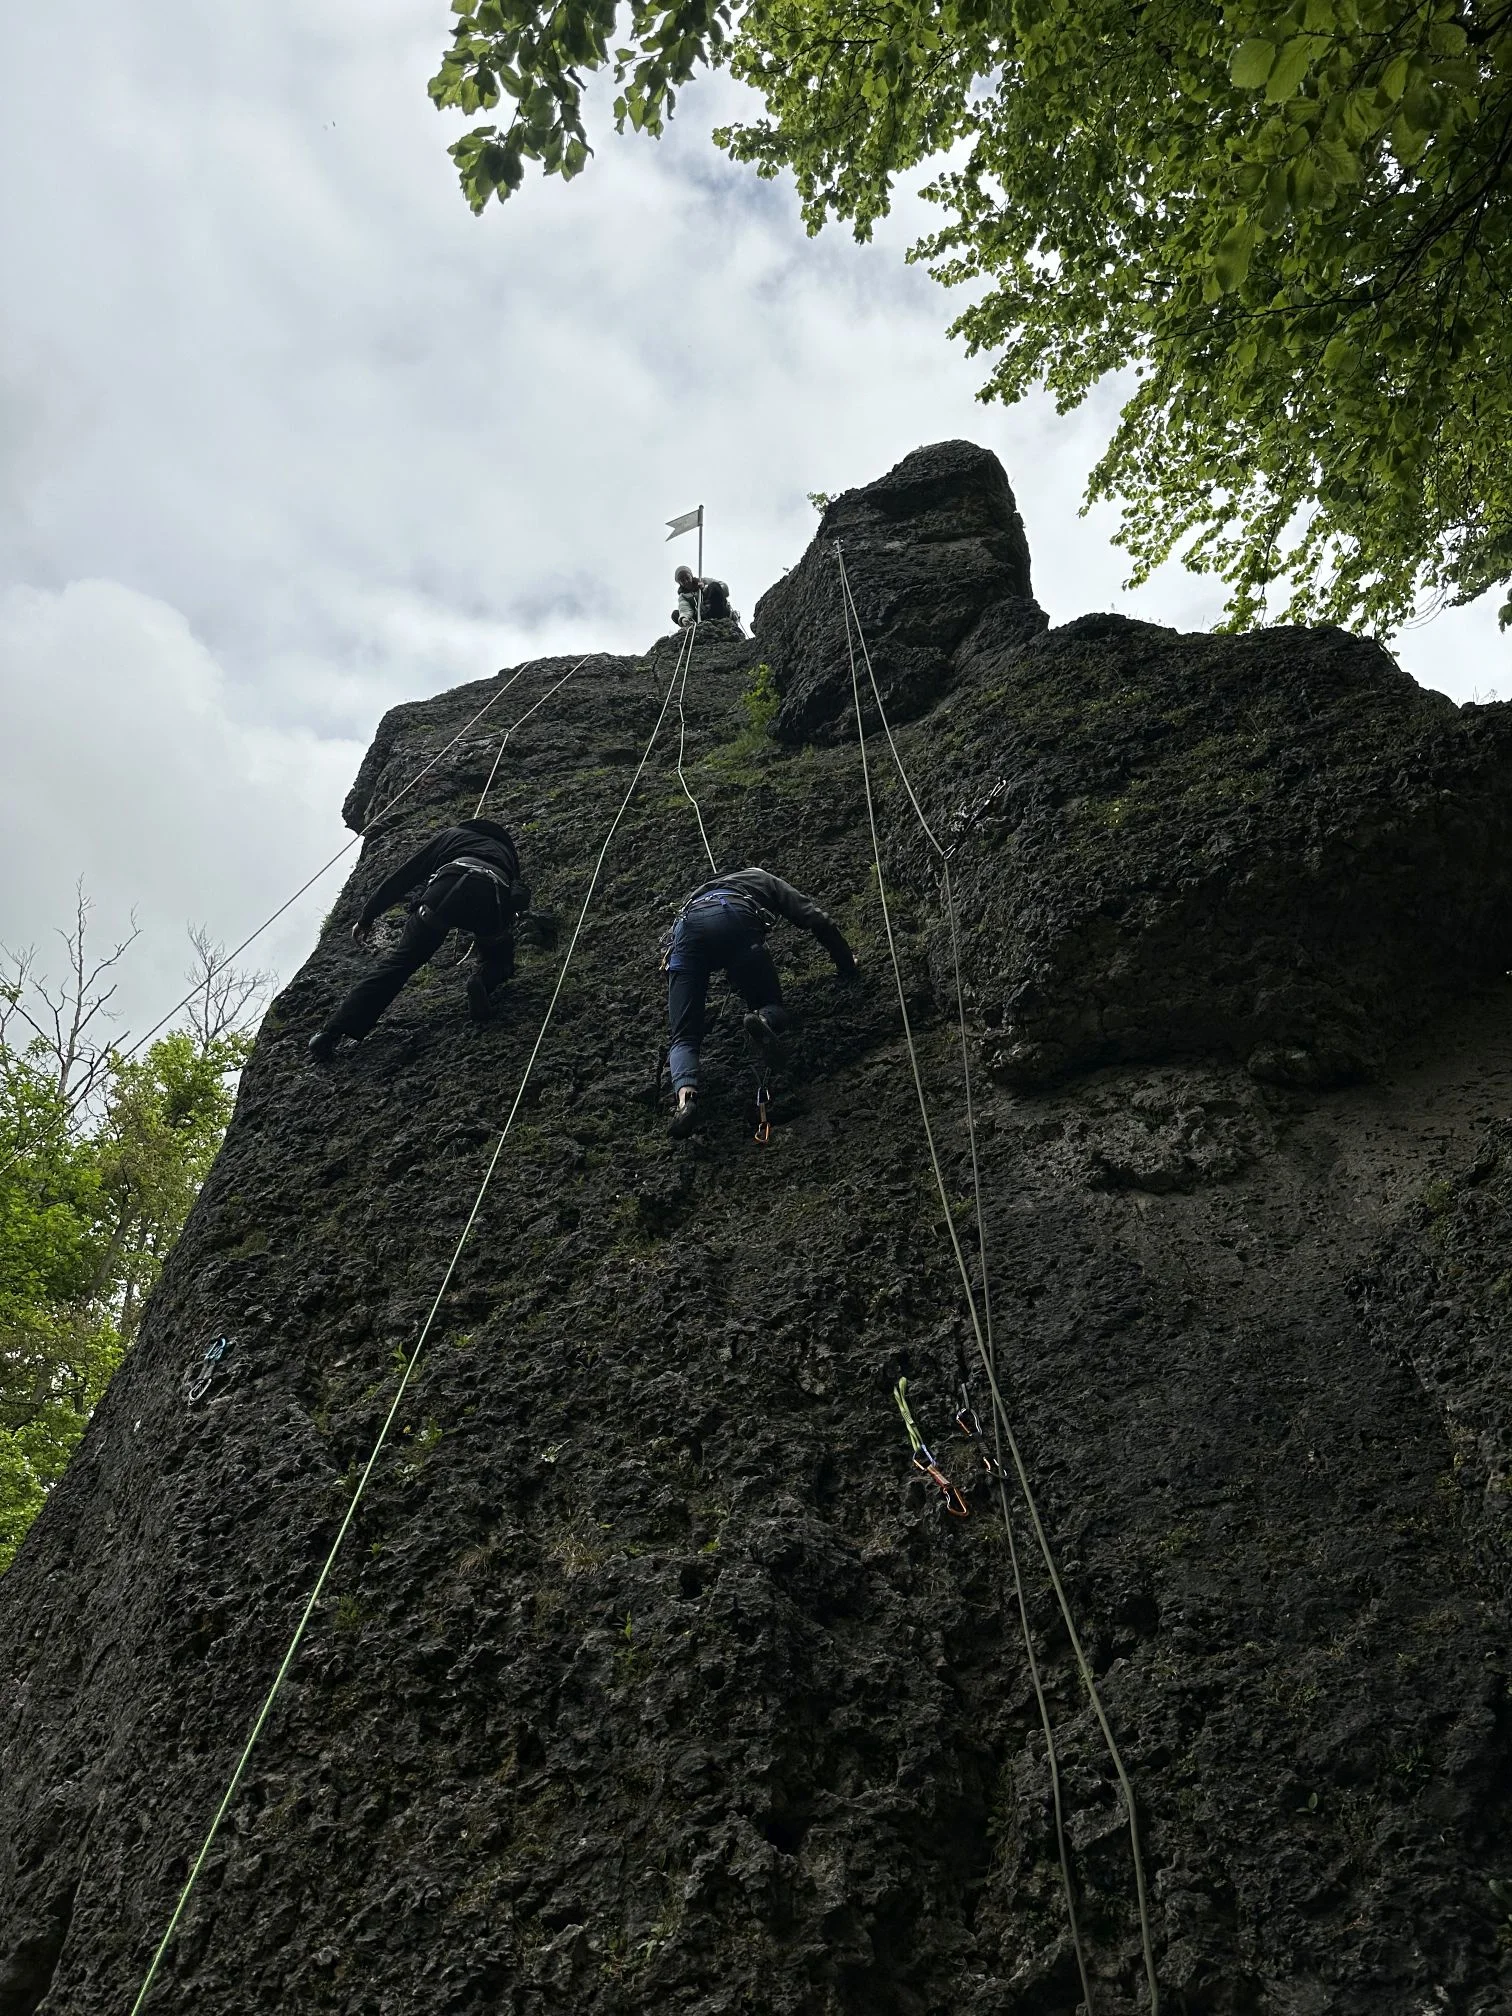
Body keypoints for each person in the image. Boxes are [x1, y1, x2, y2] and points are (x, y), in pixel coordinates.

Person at [308, 817, 530, 1061]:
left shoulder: (453, 834)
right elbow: (516, 894)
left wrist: (367, 916)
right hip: (491, 894)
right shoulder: (507, 852)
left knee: (399, 964)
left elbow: (405, 876)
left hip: (445, 889)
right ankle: (482, 981)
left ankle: (331, 1033)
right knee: (500, 956)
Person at [661, 867, 857, 1137]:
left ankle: (686, 1100)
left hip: (687, 931)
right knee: (770, 1002)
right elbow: (815, 918)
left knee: (684, 1037)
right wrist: (847, 965)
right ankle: (763, 1018)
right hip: (735, 919)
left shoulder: (694, 898)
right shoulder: (761, 878)